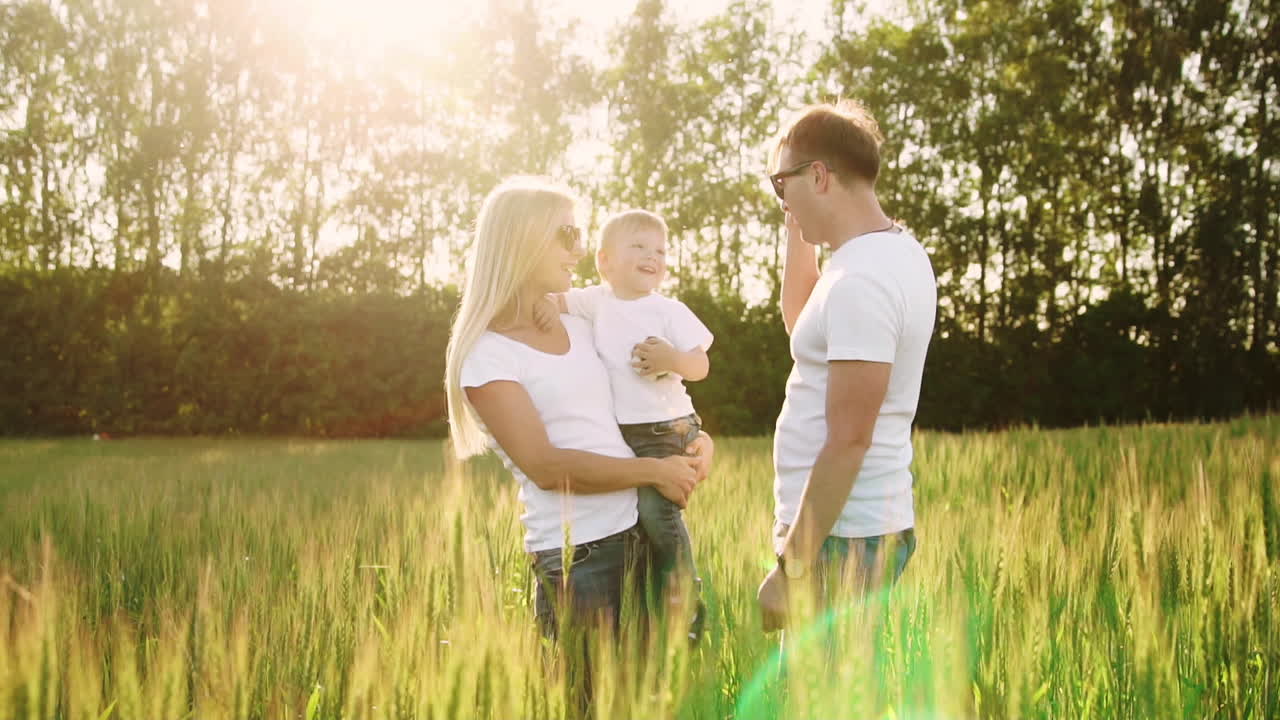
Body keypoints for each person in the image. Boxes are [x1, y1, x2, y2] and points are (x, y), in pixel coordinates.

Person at [443, 177, 712, 702]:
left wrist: (696, 444)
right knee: (594, 706)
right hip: (581, 560)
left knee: (651, 703)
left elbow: (648, 401)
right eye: (566, 234)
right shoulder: (488, 356)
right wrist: (654, 472)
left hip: (642, 532)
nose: (580, 250)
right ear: (522, 239)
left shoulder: (587, 323)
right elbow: (546, 467)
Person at [756, 101, 937, 632]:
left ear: (818, 175)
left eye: (780, 185)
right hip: (844, 530)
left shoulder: (864, 280)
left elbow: (849, 438)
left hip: (843, 539)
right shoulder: (881, 255)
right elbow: (803, 325)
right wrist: (797, 234)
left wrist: (792, 568)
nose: (781, 199)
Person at [536, 209, 713, 641]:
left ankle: (684, 596)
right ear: (604, 262)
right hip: (626, 435)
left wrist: (672, 360)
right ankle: (657, 609)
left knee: (657, 513)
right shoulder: (595, 300)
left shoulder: (668, 310)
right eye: (638, 247)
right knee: (639, 524)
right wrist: (544, 308)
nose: (652, 256)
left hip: (666, 429)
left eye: (660, 250)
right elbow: (554, 299)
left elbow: (700, 364)